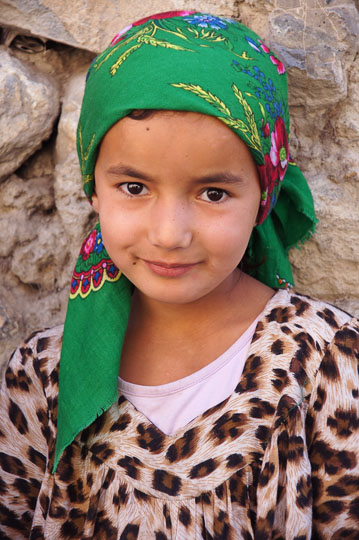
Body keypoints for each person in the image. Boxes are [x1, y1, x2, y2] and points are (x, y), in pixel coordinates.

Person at [0, 10, 358, 540]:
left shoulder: (325, 361)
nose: (170, 234)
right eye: (134, 187)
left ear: (264, 197)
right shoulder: (43, 374)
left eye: (213, 193)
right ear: (92, 187)